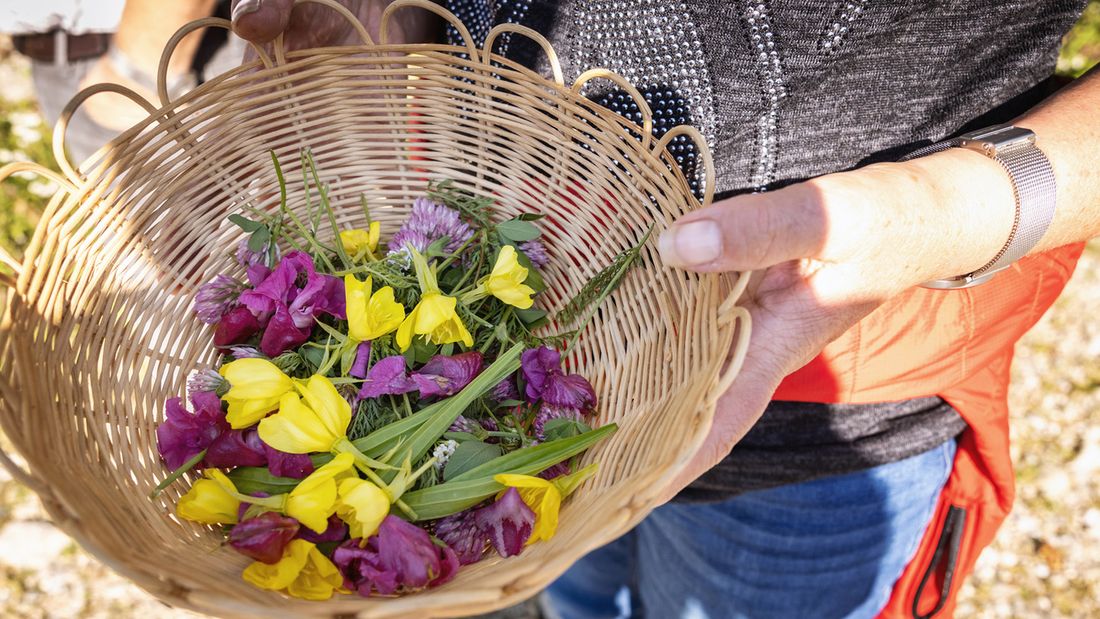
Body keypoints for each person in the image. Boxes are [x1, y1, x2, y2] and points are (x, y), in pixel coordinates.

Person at [228, 1, 1100, 617]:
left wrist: (949, 207)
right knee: (573, 588)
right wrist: (396, 16)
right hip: (524, 362)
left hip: (829, 402)